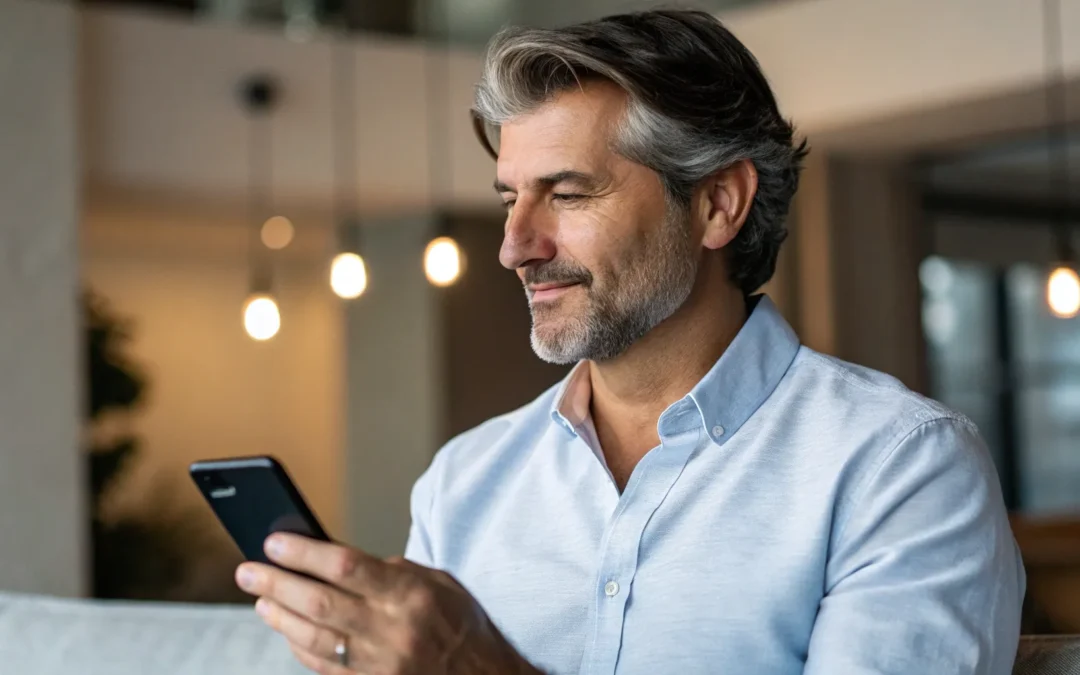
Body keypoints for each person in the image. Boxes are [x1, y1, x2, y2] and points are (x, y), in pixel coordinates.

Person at [235, 9, 1025, 674]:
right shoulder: (462, 483)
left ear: (718, 204)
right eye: (511, 198)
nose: (515, 245)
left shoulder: (902, 467)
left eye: (568, 193)